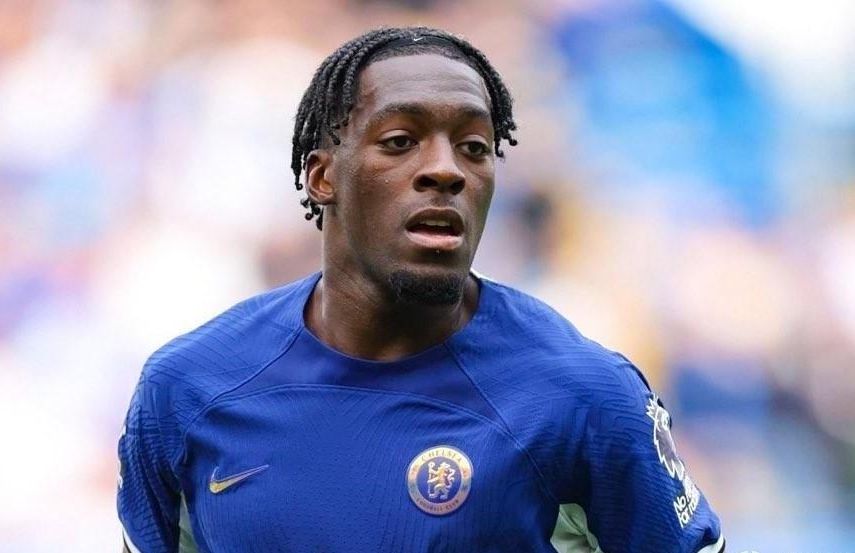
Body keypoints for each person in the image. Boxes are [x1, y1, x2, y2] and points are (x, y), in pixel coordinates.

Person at [117, 26, 724, 553]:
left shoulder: (583, 396)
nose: (446, 170)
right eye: (401, 141)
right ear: (323, 176)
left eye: (475, 148)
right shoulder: (188, 388)